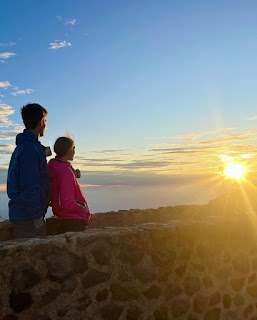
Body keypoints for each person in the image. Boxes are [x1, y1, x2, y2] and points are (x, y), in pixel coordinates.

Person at [7, 103, 50, 239]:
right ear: (40, 122)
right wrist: (37, 218)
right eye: (45, 121)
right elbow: (29, 186)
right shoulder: (29, 150)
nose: (45, 125)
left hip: (25, 215)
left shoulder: (27, 147)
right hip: (28, 219)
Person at [47, 137, 91, 232]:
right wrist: (83, 209)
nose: (75, 151)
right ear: (69, 150)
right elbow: (67, 203)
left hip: (62, 218)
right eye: (74, 148)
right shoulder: (65, 172)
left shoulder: (53, 168)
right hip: (73, 220)